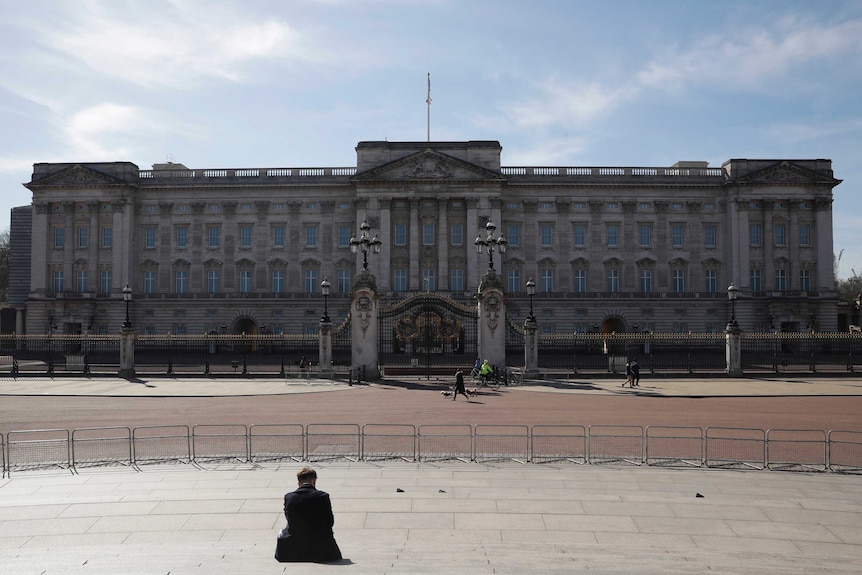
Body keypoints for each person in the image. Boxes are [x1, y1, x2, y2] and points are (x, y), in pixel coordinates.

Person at [275, 467, 342, 563]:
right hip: (321, 547)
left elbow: (290, 519)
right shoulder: (323, 497)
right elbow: (330, 522)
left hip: (294, 547)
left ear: (298, 483)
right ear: (314, 481)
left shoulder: (289, 497)